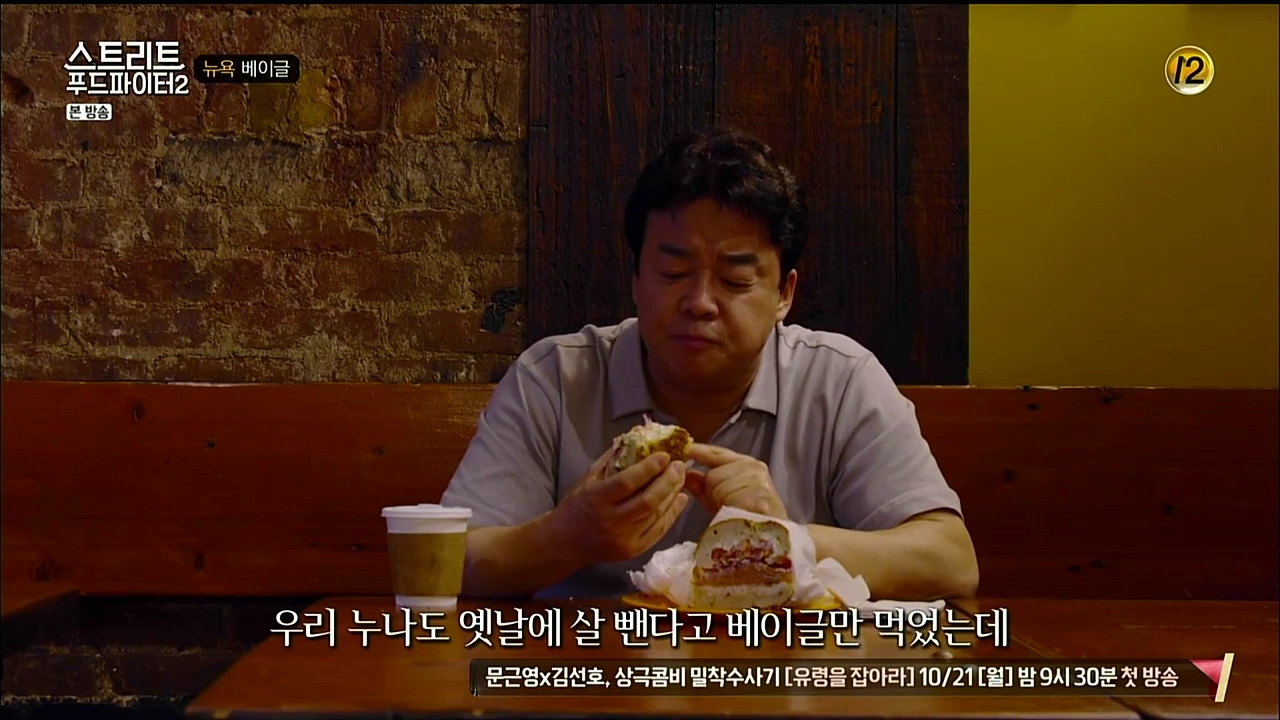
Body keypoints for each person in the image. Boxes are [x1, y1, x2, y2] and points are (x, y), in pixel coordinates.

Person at [440, 127, 979, 602]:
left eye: (736, 280)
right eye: (673, 274)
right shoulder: (555, 378)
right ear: (636, 279)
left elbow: (951, 561)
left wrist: (786, 538)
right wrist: (571, 535)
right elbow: (452, 560)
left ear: (784, 294)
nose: (699, 302)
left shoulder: (839, 381)